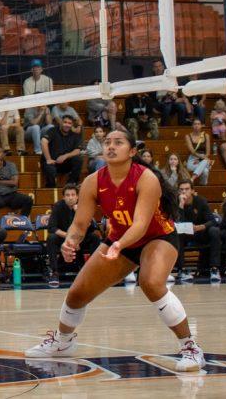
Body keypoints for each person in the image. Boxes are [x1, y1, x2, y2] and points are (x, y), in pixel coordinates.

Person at [25, 125, 203, 373]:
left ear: (131, 151)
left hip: (157, 237)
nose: (110, 145)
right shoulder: (92, 181)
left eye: (118, 142)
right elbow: (79, 224)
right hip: (120, 240)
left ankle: (190, 347)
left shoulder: (146, 178)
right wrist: (71, 242)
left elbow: (140, 225)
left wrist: (118, 244)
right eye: (107, 141)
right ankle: (63, 342)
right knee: (77, 293)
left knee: (150, 282)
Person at [43, 183, 100, 286]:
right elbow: (52, 228)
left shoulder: (83, 206)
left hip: (80, 238)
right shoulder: (58, 206)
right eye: (68, 195)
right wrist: (71, 239)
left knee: (95, 238)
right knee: (51, 238)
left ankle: (92, 271)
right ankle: (54, 272)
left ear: (77, 196)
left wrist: (80, 213)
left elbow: (91, 228)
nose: (70, 198)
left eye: (73, 195)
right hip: (63, 238)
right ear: (64, 197)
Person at [175, 179, 221, 283]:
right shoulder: (176, 202)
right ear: (178, 192)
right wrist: (181, 206)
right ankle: (181, 270)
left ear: (192, 191)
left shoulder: (200, 201)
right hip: (184, 235)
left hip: (199, 232)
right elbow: (177, 222)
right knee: (176, 235)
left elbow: (213, 220)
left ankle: (214, 269)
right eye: (181, 190)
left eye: (186, 189)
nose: (184, 192)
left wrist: (202, 226)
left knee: (214, 231)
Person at [0, 147, 33, 216]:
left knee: (28, 200)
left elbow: (14, 183)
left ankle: (22, 220)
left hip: (12, 195)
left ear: (3, 154)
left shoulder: (11, 165)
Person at [41, 115, 83, 187]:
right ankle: (51, 187)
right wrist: (48, 159)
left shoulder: (75, 135)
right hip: (52, 162)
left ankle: (70, 184)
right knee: (50, 169)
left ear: (72, 125)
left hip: (65, 163)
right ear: (60, 122)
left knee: (78, 160)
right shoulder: (53, 130)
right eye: (65, 122)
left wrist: (65, 156)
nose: (67, 125)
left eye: (69, 123)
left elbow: (78, 150)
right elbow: (43, 141)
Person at [184, 119, 211, 185]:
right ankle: (203, 186)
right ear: (192, 126)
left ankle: (192, 179)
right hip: (192, 159)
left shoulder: (206, 136)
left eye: (198, 124)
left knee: (205, 162)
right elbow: (192, 151)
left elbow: (208, 153)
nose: (197, 125)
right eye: (195, 124)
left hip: (203, 158)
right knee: (205, 170)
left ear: (201, 126)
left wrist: (200, 159)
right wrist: (200, 157)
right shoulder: (187, 136)